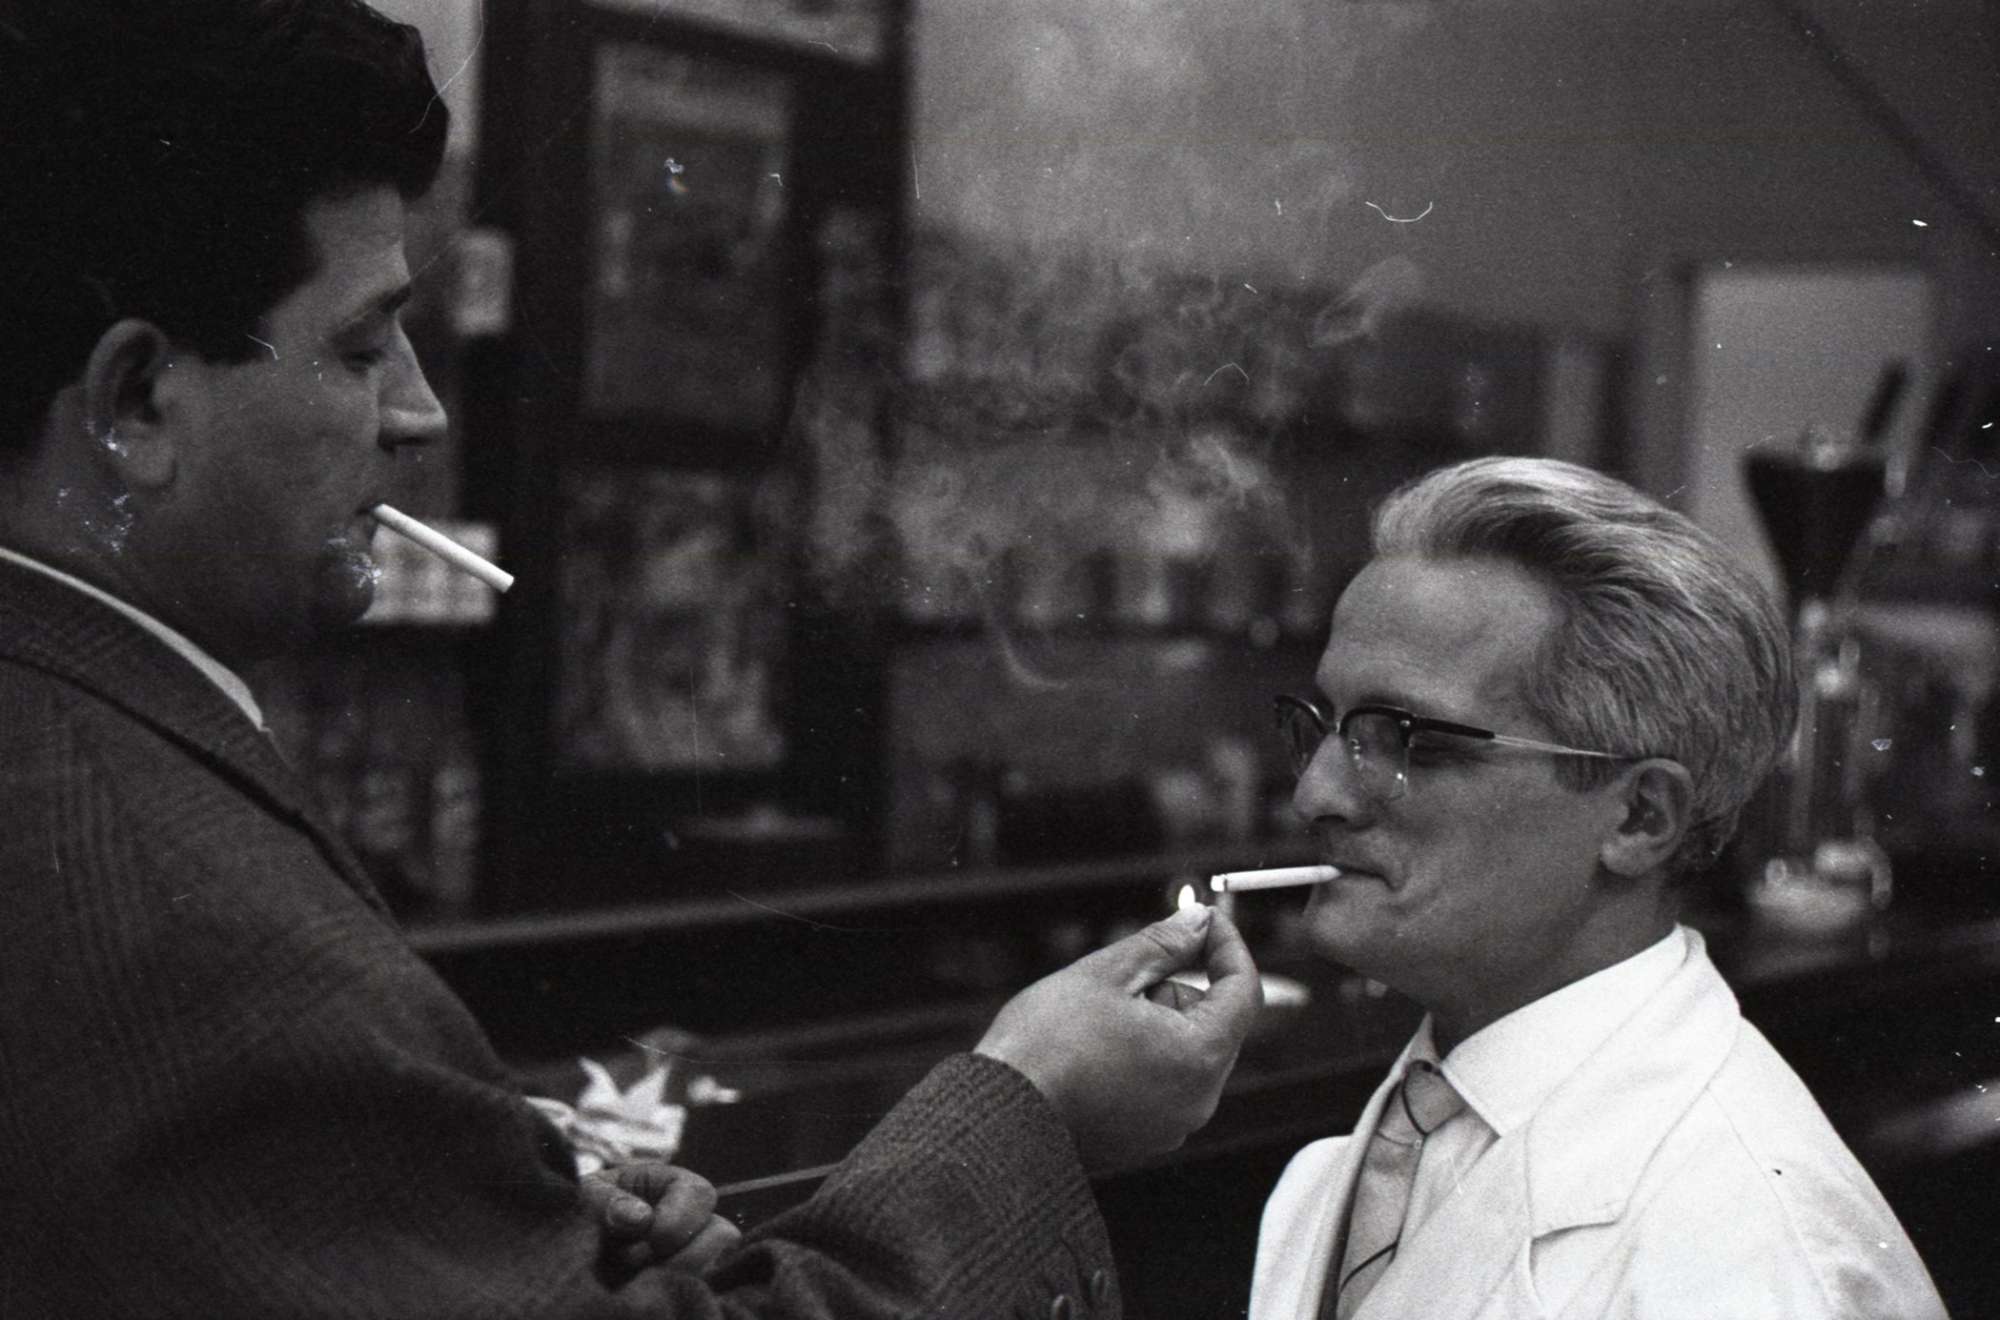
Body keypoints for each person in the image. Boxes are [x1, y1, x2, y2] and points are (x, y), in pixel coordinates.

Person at [0, 2, 1261, 1315]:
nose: (421, 414)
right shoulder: (155, 898)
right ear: (136, 401)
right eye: (363, 347)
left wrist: (507, 1200)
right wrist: (1035, 1103)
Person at [1249, 457, 1946, 1319]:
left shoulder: (1748, 1261)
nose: (1315, 794)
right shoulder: (1412, 1122)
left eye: (1401, 737)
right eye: (1325, 725)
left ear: (1640, 817)